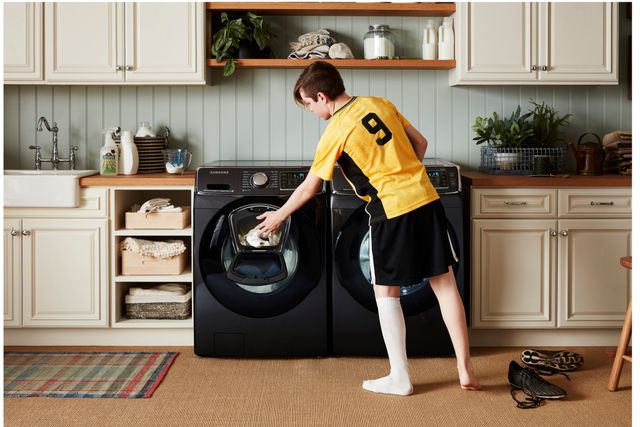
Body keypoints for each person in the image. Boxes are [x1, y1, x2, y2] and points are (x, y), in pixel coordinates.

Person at [256, 61, 480, 396]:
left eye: (309, 104)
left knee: (385, 293)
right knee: (445, 284)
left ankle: (400, 377)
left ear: (322, 96)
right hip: (426, 199)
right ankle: (465, 369)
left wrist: (278, 216)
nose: (312, 111)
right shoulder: (379, 103)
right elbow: (421, 143)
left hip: (391, 210)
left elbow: (309, 188)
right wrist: (403, 176)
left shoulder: (335, 131)